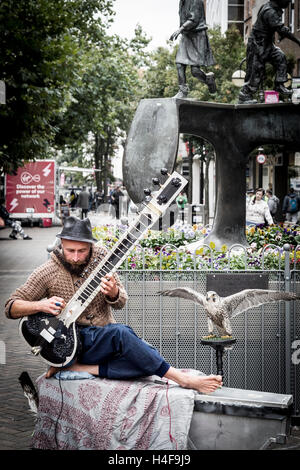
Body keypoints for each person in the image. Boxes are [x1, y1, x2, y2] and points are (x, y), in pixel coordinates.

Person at [4, 215, 222, 394]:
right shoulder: (48, 271)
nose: (76, 257)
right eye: (70, 251)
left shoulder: (102, 259)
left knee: (142, 360)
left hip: (101, 338)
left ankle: (81, 368)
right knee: (123, 333)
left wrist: (114, 292)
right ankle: (182, 379)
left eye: (82, 251)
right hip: (69, 340)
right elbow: (11, 306)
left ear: (90, 246)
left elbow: (121, 302)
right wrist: (40, 306)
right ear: (61, 246)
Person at [239, 0, 300, 104]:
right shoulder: (269, 11)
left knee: (280, 57)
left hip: (267, 44)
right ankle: (245, 94)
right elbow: (281, 30)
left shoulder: (272, 8)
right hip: (257, 45)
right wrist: (298, 41)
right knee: (256, 71)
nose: (289, 2)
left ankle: (279, 84)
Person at [170, 0, 216, 99]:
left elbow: (194, 19)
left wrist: (180, 29)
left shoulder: (196, 1)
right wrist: (182, 30)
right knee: (179, 64)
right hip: (187, 35)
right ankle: (183, 91)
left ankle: (208, 79)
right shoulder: (182, 2)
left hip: (198, 36)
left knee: (195, 71)